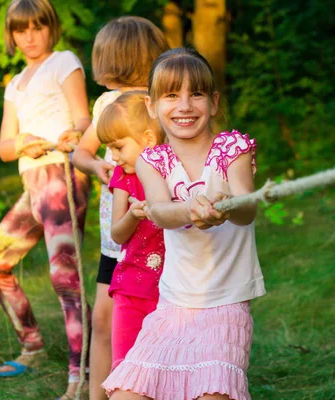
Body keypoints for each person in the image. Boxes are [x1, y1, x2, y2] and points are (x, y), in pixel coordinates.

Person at [102, 48, 267, 400]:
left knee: (212, 395)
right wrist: (192, 209)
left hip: (225, 304)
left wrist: (226, 208)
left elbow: (247, 210)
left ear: (213, 101)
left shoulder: (231, 148)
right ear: (152, 106)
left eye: (196, 93)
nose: (184, 105)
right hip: (174, 306)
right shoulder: (153, 159)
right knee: (124, 396)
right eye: (171, 95)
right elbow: (160, 211)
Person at [0, 0, 91, 398]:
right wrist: (22, 142)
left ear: (51, 28)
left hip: (61, 177)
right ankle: (33, 345)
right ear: (11, 35)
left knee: (65, 276)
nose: (29, 36)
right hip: (33, 185)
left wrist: (74, 134)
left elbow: (83, 117)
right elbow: (5, 147)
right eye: (20, 29)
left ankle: (84, 373)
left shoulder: (63, 62)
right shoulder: (15, 84)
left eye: (37, 27)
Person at [71, 16, 169, 400]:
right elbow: (81, 152)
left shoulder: (161, 100)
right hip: (117, 235)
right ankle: (99, 393)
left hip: (158, 236)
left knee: (150, 313)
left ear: (115, 56)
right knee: (104, 314)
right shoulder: (107, 104)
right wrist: (96, 165)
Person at [95, 91, 166, 372]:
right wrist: (133, 215)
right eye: (109, 149)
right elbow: (117, 234)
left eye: (118, 147)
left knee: (163, 367)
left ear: (148, 139)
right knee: (125, 365)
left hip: (170, 290)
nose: (113, 157)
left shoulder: (171, 170)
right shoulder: (123, 177)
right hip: (130, 287)